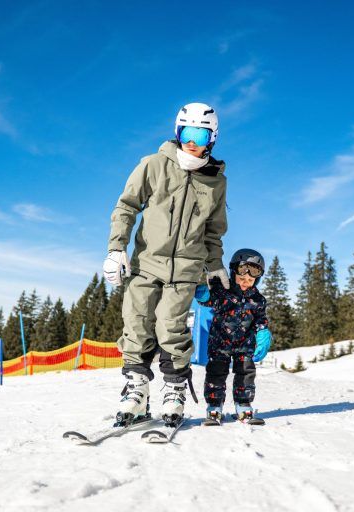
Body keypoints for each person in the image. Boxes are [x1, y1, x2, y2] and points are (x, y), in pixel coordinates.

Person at [103, 103, 228, 425]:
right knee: (137, 322)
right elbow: (127, 206)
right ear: (177, 132)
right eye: (187, 132)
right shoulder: (154, 164)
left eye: (200, 134)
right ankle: (137, 391)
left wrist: (215, 267)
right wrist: (117, 249)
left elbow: (214, 231)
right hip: (146, 263)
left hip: (186, 269)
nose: (192, 140)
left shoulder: (215, 180)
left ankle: (174, 391)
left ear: (211, 138)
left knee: (171, 327)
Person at [196, 249, 270, 422]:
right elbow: (207, 300)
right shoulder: (222, 290)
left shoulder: (258, 299)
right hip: (219, 344)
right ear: (233, 273)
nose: (246, 283)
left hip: (245, 345)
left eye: (251, 280)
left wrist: (263, 332)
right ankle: (214, 407)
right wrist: (203, 292)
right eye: (242, 278)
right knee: (216, 374)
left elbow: (261, 319)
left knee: (246, 374)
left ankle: (243, 406)